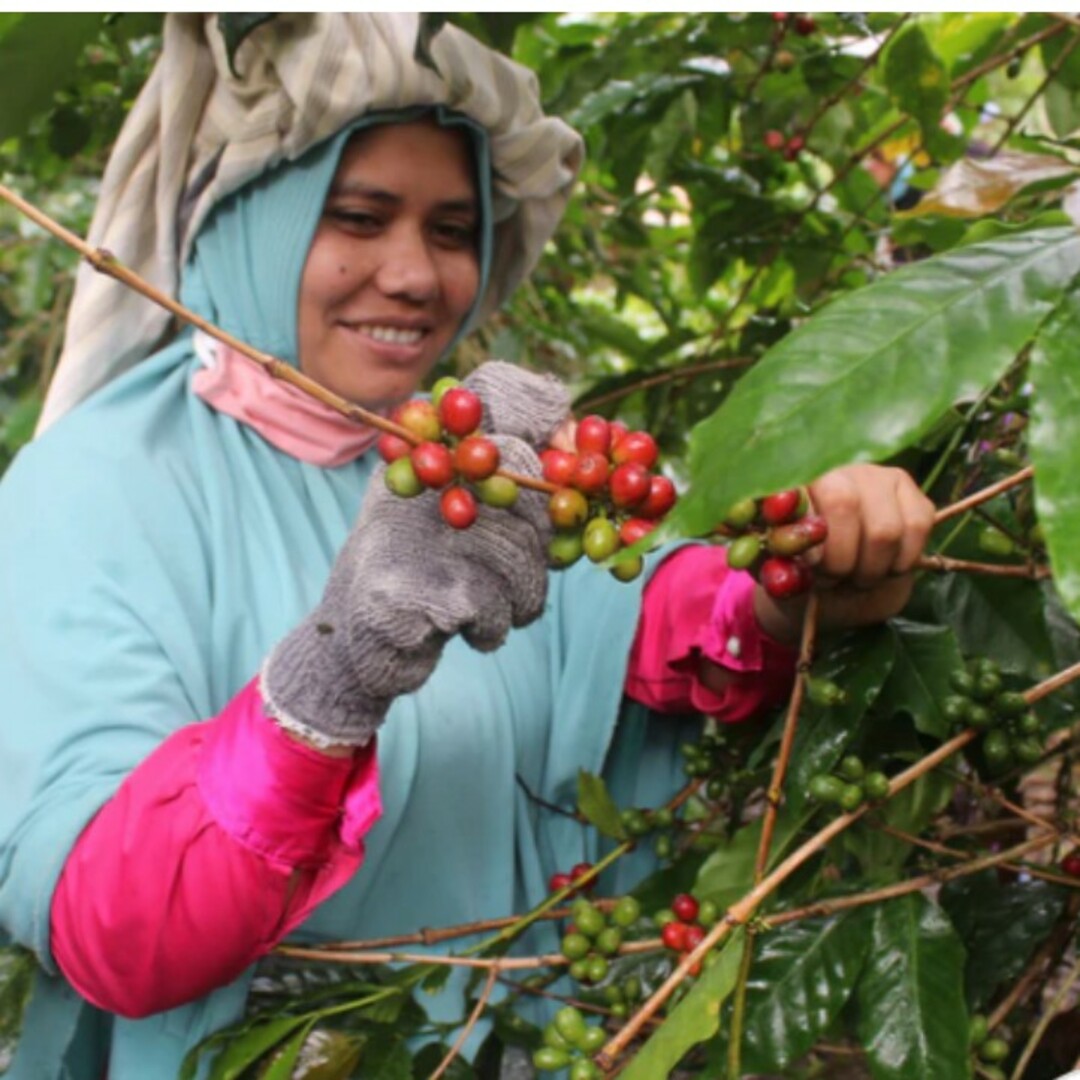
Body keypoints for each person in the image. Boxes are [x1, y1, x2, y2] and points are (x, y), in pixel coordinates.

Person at [0, 13, 935, 1079]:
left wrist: (795, 577)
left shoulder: (474, 455)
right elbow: (111, 923)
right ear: (249, 217)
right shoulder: (90, 491)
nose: (413, 275)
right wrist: (331, 679)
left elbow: (640, 614)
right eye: (358, 217)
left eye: (452, 231)